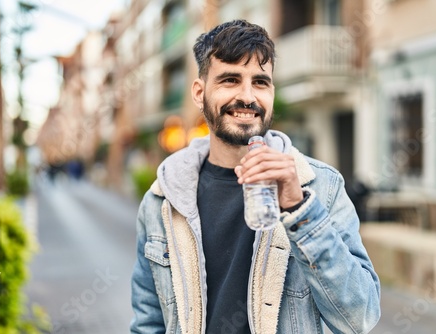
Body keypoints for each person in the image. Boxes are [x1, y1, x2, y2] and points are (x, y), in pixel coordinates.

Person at [131, 19, 380, 334]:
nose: (247, 96)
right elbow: (148, 324)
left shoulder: (321, 187)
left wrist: (299, 210)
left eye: (260, 82)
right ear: (199, 92)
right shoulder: (162, 201)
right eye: (230, 80)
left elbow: (361, 318)